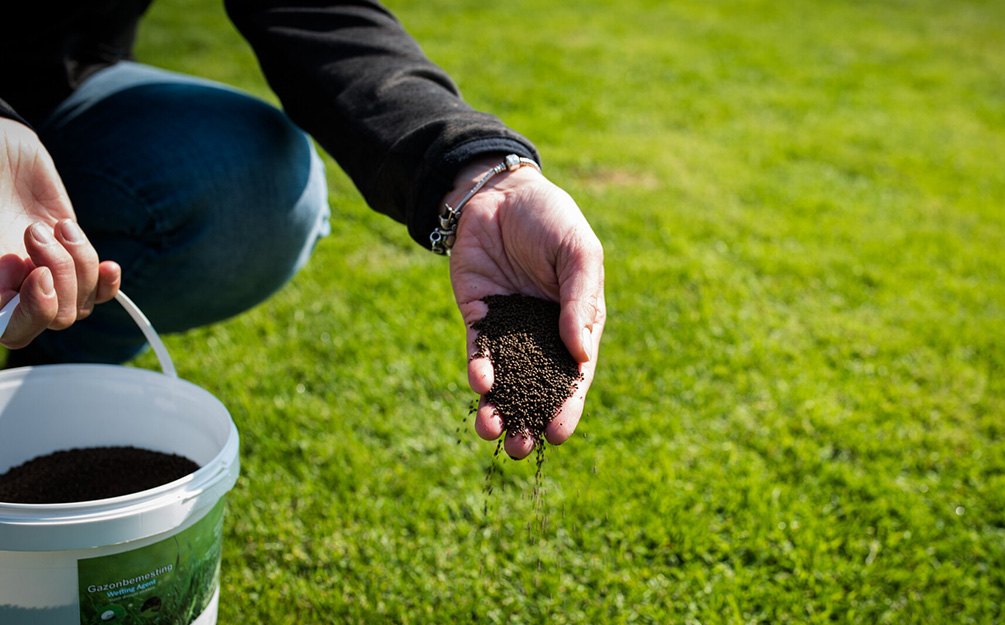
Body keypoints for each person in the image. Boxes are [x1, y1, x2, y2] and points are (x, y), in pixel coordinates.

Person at [0, 0, 605, 460]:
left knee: (257, 183)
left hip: (58, 84)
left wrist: (483, 176)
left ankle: (46, 388)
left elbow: (318, 13)